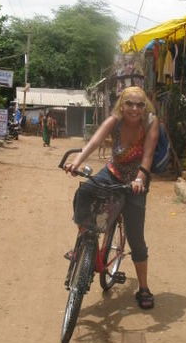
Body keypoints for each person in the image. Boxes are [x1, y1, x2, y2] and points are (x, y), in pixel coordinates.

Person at [64, 86, 159, 310]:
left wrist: (139, 179)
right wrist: (77, 162)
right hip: (113, 172)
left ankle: (143, 288)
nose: (134, 109)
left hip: (136, 181)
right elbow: (95, 141)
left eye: (139, 104)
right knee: (85, 191)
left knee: (136, 238)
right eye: (130, 104)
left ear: (145, 107)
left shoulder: (151, 122)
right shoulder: (115, 120)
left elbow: (148, 155)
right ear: (122, 105)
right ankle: (84, 240)